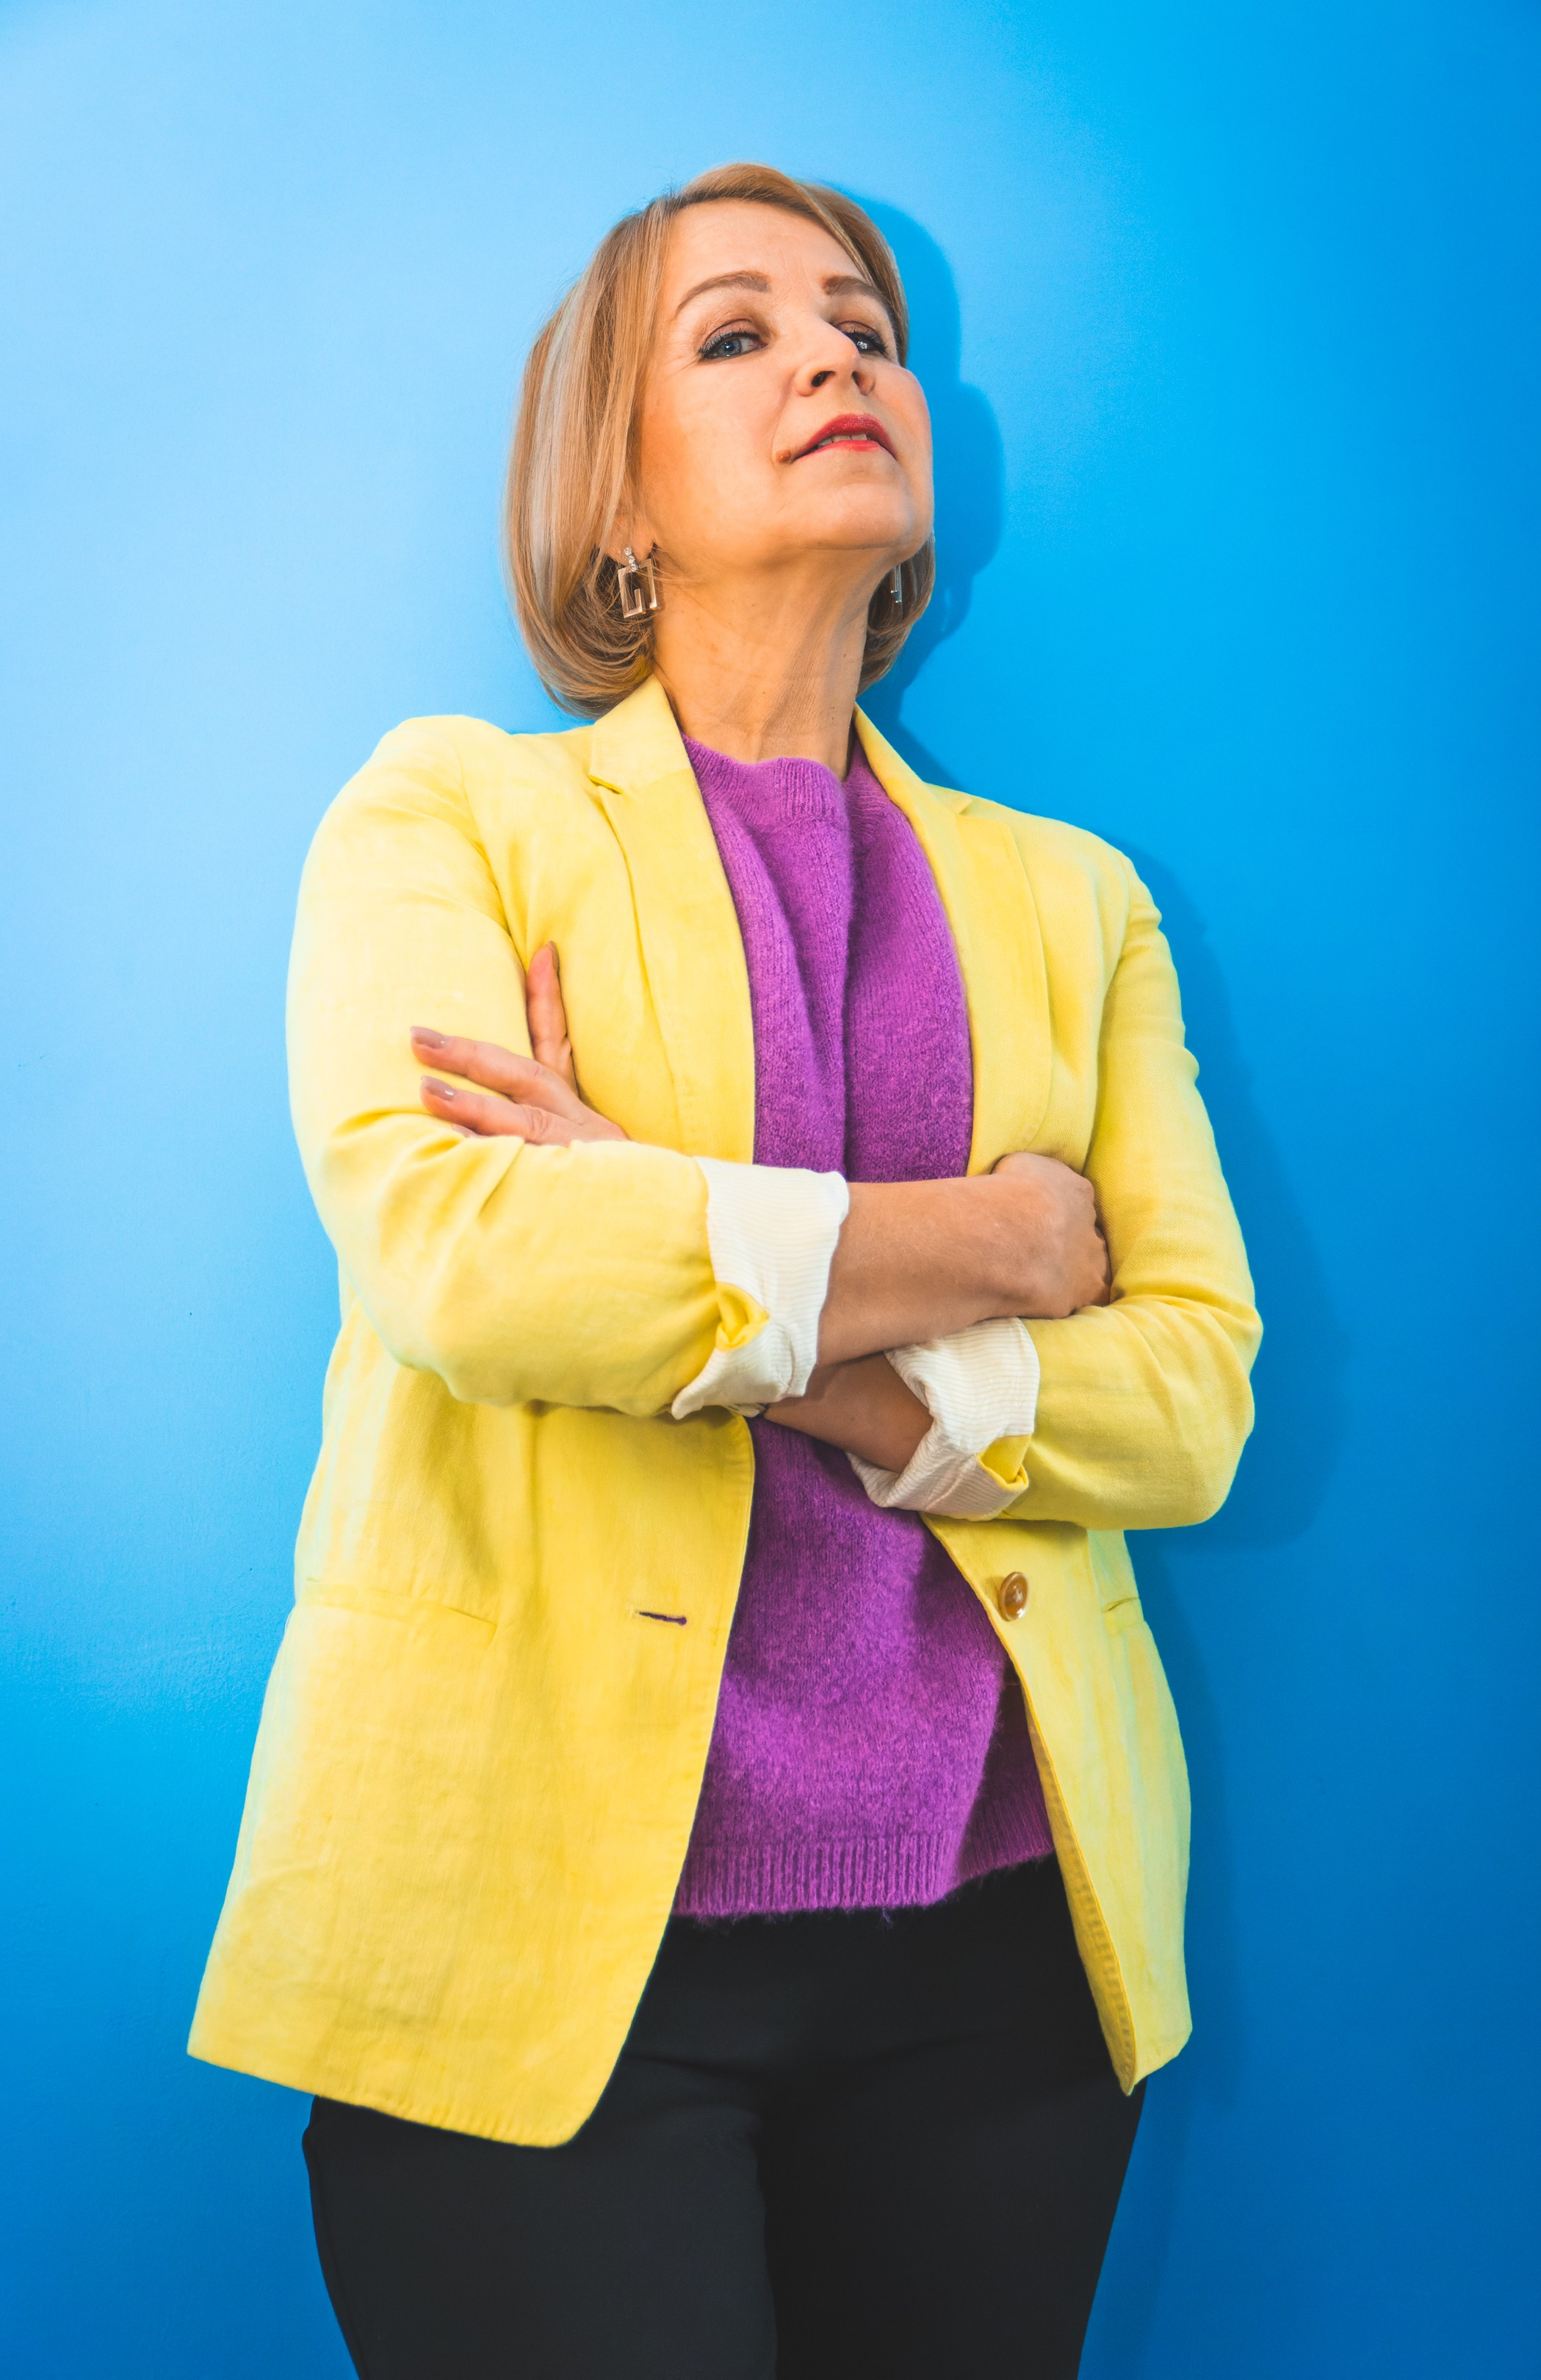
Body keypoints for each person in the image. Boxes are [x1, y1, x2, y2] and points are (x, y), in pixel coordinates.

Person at [190, 162, 1260, 2379]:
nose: (837, 360)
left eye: (863, 325)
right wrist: (997, 1243)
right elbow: (472, 1264)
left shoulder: (1078, 900)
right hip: (526, 1939)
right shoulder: (449, 816)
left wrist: (670, 1228)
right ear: (612, 497)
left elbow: (1188, 1403)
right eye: (740, 334)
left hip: (1001, 1956)